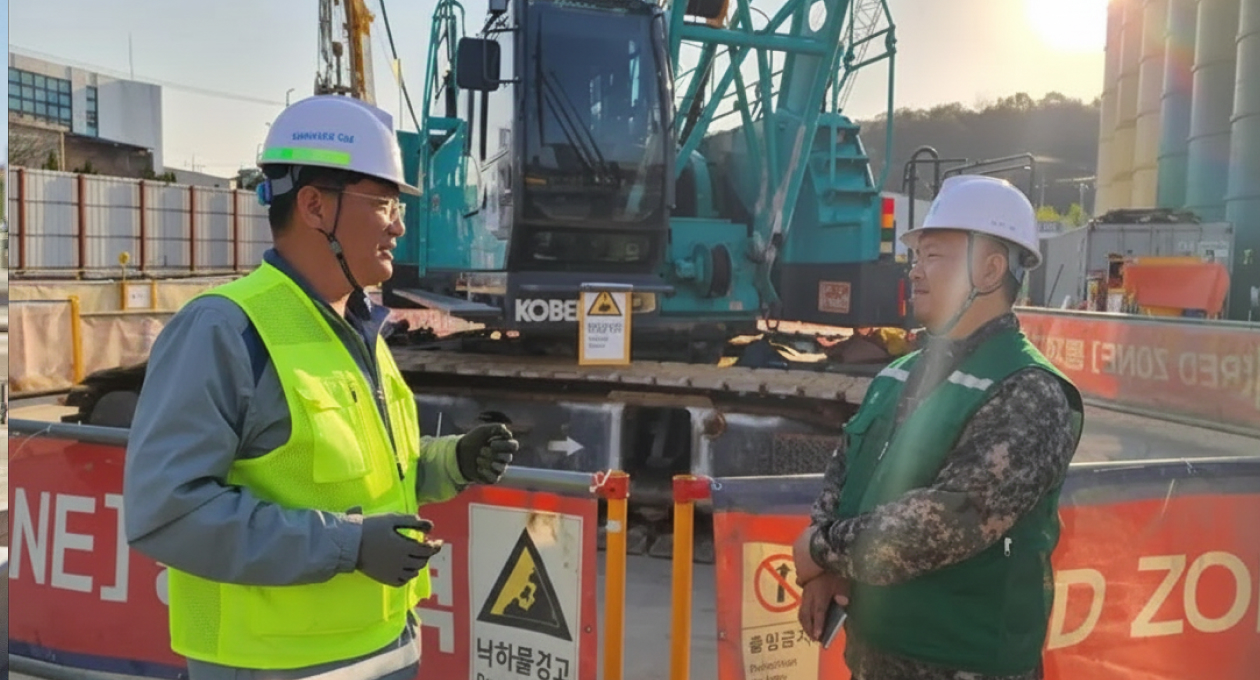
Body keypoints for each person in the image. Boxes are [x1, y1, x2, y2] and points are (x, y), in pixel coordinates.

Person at [123, 94, 519, 680]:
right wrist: (349, 546)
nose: (400, 224)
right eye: (383, 204)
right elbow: (167, 513)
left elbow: (371, 477)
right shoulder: (225, 329)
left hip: (387, 646)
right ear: (313, 206)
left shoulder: (358, 328)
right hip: (272, 665)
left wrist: (451, 462)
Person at [791, 175, 1084, 680]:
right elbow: (846, 471)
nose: (915, 271)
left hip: (967, 664)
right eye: (916, 256)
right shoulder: (897, 374)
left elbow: (946, 524)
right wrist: (826, 567)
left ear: (990, 270)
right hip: (875, 657)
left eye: (934, 256)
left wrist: (821, 548)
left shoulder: (1029, 390)